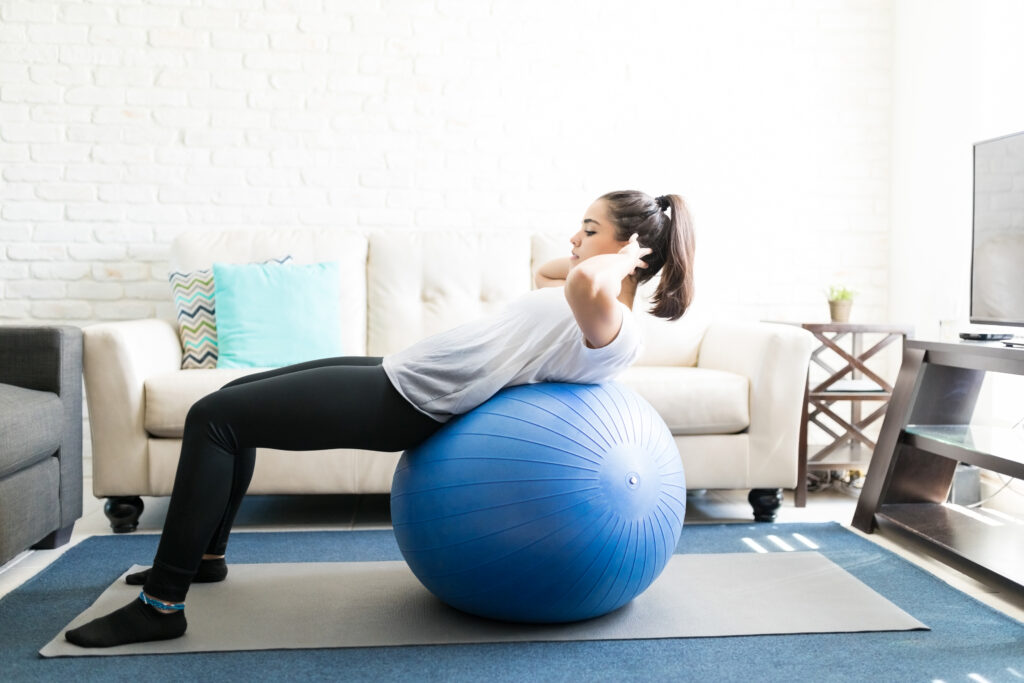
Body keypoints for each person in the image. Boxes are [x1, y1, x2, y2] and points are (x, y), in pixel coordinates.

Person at [65, 190, 696, 647]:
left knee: (215, 420)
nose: (574, 240)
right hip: (399, 371)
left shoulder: (612, 325)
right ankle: (204, 557)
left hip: (408, 402)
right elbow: (551, 272)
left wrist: (627, 260)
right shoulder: (585, 297)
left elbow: (584, 282)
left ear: (625, 251)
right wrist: (607, 253)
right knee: (233, 401)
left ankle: (162, 604)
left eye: (587, 229)